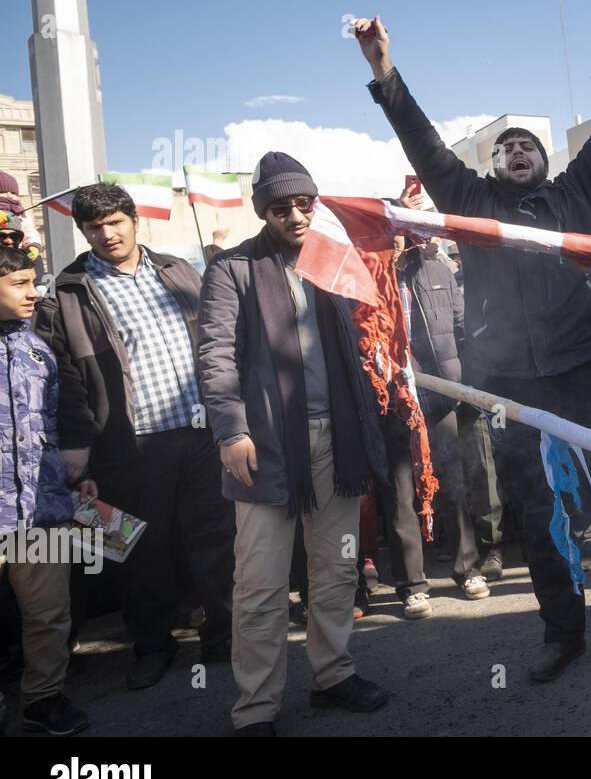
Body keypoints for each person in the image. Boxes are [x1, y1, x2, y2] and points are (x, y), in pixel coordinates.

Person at [354, 8, 591, 682]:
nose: (517, 151)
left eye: (528, 145)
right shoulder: (469, 202)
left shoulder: (577, 193)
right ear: (494, 165)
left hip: (587, 366)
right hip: (506, 380)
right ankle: (562, 631)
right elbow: (426, 145)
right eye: (506, 148)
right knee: (534, 504)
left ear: (545, 160)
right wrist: (384, 71)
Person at [197, 152, 391, 735]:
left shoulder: (328, 259)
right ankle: (256, 709)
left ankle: (334, 675)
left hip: (339, 439)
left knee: (335, 569)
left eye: (305, 203)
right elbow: (214, 355)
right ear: (264, 212)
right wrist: (231, 430)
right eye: (282, 208)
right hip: (266, 445)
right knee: (260, 585)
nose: (297, 215)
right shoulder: (232, 268)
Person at [36, 184, 235, 690]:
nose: (107, 234)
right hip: (129, 444)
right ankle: (151, 645)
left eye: (115, 222)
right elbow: (66, 381)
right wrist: (81, 448)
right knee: (140, 550)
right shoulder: (68, 292)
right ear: (83, 232)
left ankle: (225, 634)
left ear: (133, 220)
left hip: (200, 435)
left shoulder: (177, 270)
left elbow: (215, 343)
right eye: (94, 227)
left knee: (214, 540)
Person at [0, 246, 94, 736]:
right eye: (19, 282)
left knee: (49, 613)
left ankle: (43, 698)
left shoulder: (40, 350)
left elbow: (54, 423)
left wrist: (72, 472)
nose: (33, 292)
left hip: (41, 509)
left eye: (33, 280)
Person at [392, 219, 491, 603]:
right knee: (402, 494)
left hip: (440, 395)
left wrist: (468, 384)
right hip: (395, 401)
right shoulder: (371, 277)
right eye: (393, 231)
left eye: (405, 230)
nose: (400, 239)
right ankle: (412, 586)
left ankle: (468, 570)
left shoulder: (438, 271)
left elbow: (464, 327)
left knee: (453, 483)